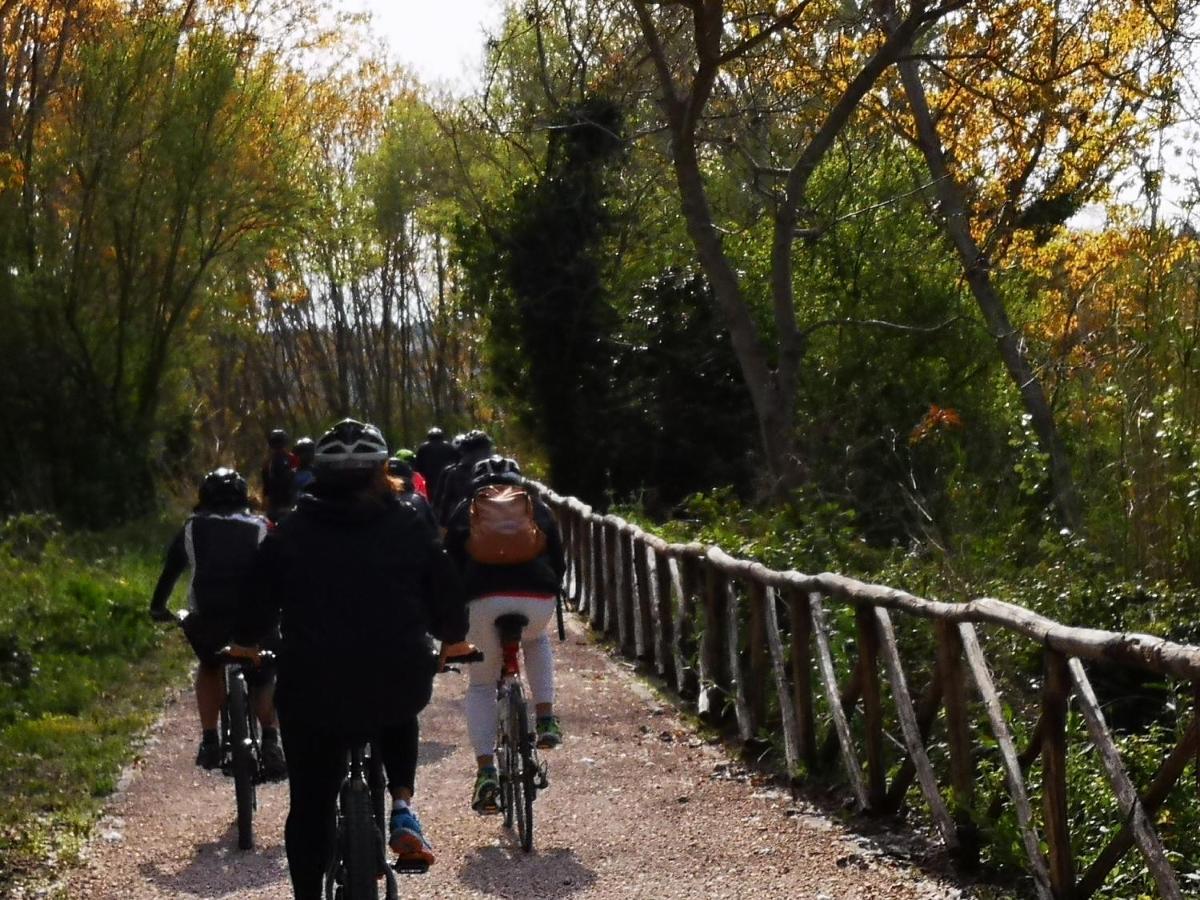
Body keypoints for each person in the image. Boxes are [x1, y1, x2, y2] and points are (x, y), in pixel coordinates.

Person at [236, 418, 468, 895]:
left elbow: (253, 607)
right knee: (399, 701)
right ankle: (402, 804)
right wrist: (450, 640)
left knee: (310, 806)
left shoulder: (292, 530)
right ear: (382, 471)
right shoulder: (410, 522)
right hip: (397, 680)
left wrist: (247, 642)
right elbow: (447, 598)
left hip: (311, 690)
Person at [443, 455, 565, 813]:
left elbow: (448, 569)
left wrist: (449, 622)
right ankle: (545, 717)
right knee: (536, 639)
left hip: (481, 601)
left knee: (481, 685)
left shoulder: (465, 511)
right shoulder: (536, 507)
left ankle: (486, 774)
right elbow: (559, 561)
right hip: (536, 598)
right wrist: (550, 589)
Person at [149, 468, 286, 779]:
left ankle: (211, 739)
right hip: (258, 620)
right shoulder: (263, 526)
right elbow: (280, 573)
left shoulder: (191, 527)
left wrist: (158, 608)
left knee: (210, 665)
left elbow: (171, 572)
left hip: (209, 619)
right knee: (263, 676)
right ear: (244, 497)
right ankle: (271, 740)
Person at [434, 430, 494, 525]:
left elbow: (445, 503)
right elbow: (445, 503)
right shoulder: (454, 472)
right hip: (470, 524)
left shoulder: (455, 472)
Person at [261, 428, 297, 523]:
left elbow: (266, 486)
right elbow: (266, 484)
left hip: (282, 502)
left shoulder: (269, 461)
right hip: (281, 503)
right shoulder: (269, 461)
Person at [414, 426, 458, 495]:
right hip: (446, 478)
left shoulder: (423, 448)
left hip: (429, 479)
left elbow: (417, 467)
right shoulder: (449, 446)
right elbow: (456, 462)